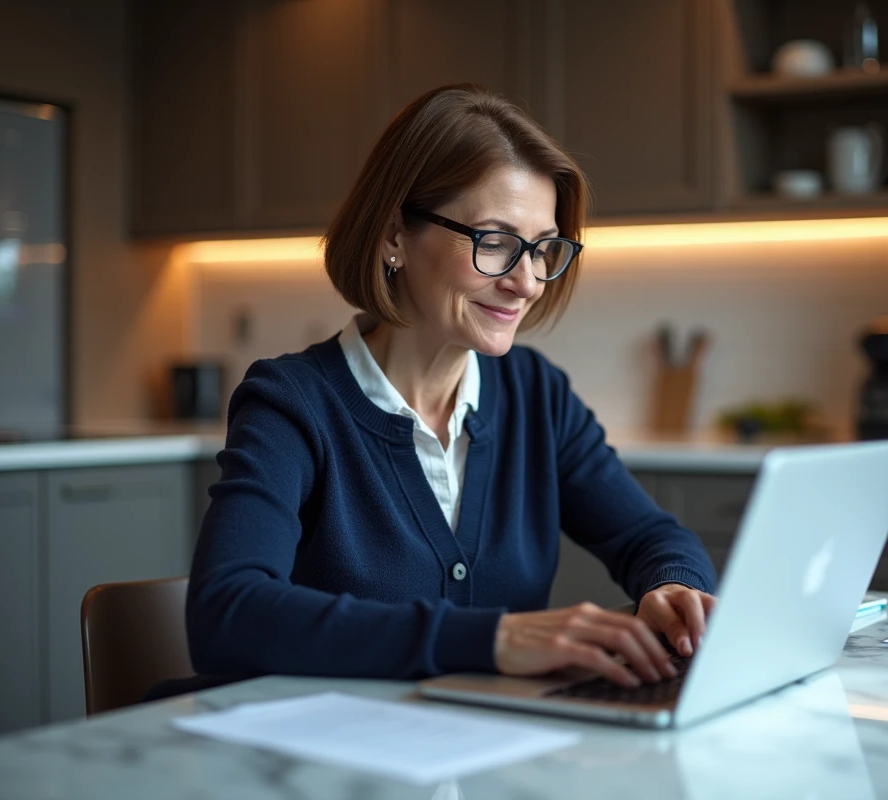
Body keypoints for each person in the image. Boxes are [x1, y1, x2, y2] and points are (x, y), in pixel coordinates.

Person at [185, 84, 717, 690]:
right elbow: (225, 615)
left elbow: (648, 535)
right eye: (495, 242)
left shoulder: (535, 394)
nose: (528, 282)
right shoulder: (292, 402)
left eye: (544, 249)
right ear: (393, 236)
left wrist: (674, 587)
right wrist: (494, 640)